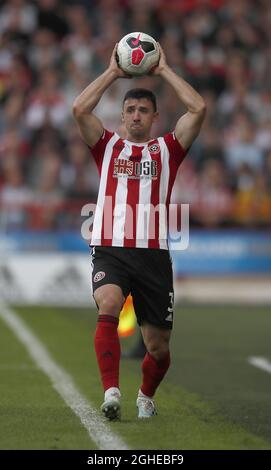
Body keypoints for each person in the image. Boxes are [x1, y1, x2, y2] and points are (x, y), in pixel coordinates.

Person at [73, 43, 206, 420]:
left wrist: (162, 69)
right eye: (129, 110)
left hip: (153, 254)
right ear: (121, 116)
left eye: (143, 110)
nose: (135, 116)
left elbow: (198, 108)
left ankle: (146, 394)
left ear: (154, 117)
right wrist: (114, 72)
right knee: (110, 305)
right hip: (110, 247)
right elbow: (79, 108)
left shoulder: (169, 149)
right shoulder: (106, 145)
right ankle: (111, 391)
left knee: (158, 347)